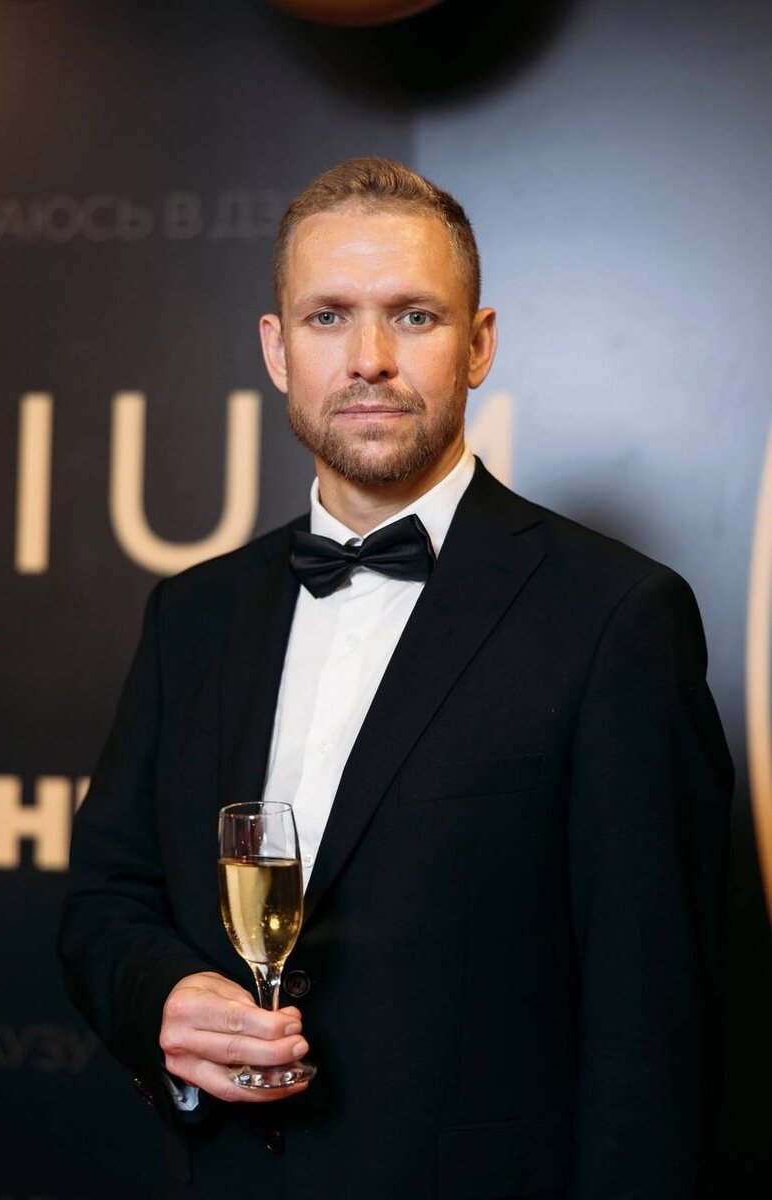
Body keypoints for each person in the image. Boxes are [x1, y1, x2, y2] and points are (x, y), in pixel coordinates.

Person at [59, 157, 733, 1200]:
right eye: (327, 317)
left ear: (479, 344)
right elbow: (105, 897)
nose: (368, 359)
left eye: (413, 317)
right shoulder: (191, 614)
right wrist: (164, 999)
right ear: (276, 349)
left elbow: (654, 1031)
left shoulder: (616, 617)